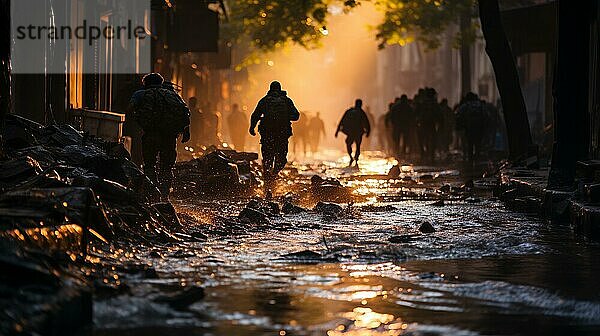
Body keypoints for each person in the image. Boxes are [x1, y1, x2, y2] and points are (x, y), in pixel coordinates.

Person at [130, 73, 191, 200]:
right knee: (167, 167)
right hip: (170, 136)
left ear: (145, 83)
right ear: (161, 82)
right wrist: (186, 132)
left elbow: (130, 109)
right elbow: (185, 111)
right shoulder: (173, 95)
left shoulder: (141, 94)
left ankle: (152, 194)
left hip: (151, 134)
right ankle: (164, 195)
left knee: (149, 165)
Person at [249, 81, 300, 198]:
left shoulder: (264, 100)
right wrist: (286, 116)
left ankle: (267, 186)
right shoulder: (287, 101)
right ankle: (274, 174)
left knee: (267, 159)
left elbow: (255, 115)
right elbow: (296, 115)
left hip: (267, 135)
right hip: (282, 135)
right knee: (281, 159)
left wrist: (252, 128)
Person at [455, 92, 489, 162]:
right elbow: (487, 115)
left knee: (470, 145)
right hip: (479, 128)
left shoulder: (466, 105)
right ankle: (477, 159)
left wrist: (461, 125)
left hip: (469, 128)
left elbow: (458, 114)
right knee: (478, 145)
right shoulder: (480, 105)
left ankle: (470, 160)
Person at [335, 99, 371, 166]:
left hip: (350, 133)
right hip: (358, 133)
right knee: (358, 146)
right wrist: (368, 131)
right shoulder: (361, 112)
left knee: (348, 144)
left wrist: (337, 131)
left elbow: (341, 121)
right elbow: (367, 122)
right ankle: (356, 159)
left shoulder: (349, 111)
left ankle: (351, 157)